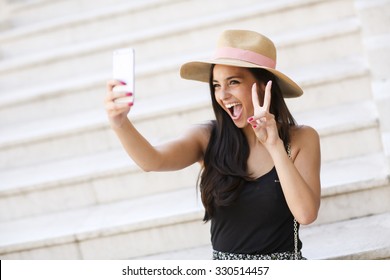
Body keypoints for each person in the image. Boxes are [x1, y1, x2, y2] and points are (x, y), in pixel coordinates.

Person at [105, 29, 321, 260]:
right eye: (216, 85)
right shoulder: (207, 137)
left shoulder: (301, 138)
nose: (223, 94)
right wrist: (120, 123)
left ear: (263, 86)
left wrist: (274, 145)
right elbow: (152, 161)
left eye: (233, 82)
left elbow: (306, 214)